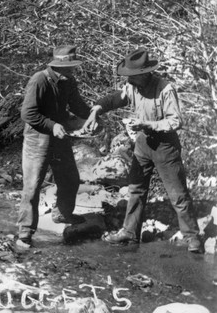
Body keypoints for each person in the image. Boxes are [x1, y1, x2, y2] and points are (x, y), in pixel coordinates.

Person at [82, 48, 202, 253]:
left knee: (177, 194)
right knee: (136, 189)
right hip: (143, 144)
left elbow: (176, 121)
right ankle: (129, 232)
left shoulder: (165, 89)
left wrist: (147, 124)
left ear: (145, 74)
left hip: (165, 146)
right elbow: (115, 98)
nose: (128, 80)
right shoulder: (132, 87)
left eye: (132, 76)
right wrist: (96, 109)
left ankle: (192, 237)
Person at [16, 45, 91, 250]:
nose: (72, 71)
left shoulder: (68, 81)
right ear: (57, 66)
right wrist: (52, 125)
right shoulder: (39, 80)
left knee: (70, 178)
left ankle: (62, 214)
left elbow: (77, 105)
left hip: (60, 137)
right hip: (37, 139)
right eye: (69, 67)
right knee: (32, 186)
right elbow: (28, 114)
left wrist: (93, 116)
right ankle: (25, 233)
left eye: (72, 67)